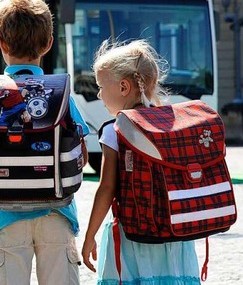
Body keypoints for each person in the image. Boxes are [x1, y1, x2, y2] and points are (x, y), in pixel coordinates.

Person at [0, 0, 89, 285]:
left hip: (2, 215)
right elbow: (81, 149)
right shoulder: (59, 92)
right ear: (48, 43)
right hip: (57, 210)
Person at [81, 39, 201, 284]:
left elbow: (107, 189)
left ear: (124, 87)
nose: (99, 94)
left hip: (134, 235)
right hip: (175, 235)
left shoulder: (114, 130)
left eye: (101, 86)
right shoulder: (171, 125)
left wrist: (89, 236)